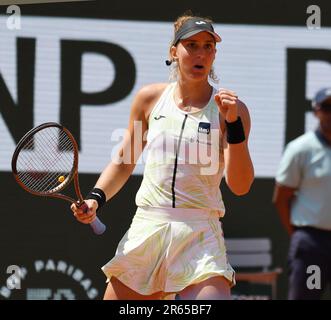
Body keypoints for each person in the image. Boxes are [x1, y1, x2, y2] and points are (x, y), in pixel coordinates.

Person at [71, 13, 254, 300]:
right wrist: (96, 197)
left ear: (214, 54)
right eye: (191, 45)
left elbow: (240, 186)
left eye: (208, 46)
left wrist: (233, 125)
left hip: (200, 235)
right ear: (174, 51)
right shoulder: (148, 99)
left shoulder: (233, 109)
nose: (200, 53)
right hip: (147, 228)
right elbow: (124, 161)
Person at [273, 88, 331, 300]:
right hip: (313, 247)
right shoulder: (301, 149)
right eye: (327, 107)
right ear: (316, 111)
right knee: (308, 297)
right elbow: (281, 198)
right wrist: (301, 235)